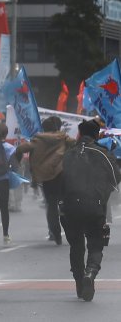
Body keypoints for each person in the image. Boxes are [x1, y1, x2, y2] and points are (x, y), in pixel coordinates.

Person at [60, 119, 120, 301]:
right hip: (94, 205)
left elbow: (58, 179)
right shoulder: (103, 154)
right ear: (97, 135)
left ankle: (79, 282)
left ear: (79, 134)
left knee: (76, 245)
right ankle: (90, 274)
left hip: (70, 207)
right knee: (96, 243)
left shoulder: (68, 154)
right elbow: (116, 177)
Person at [13, 116, 75, 245]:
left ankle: (55, 233)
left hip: (47, 177)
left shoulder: (37, 140)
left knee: (51, 205)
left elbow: (20, 149)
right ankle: (67, 223)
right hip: (63, 174)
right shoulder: (64, 138)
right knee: (66, 203)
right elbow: (77, 145)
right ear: (58, 127)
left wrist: (17, 163)